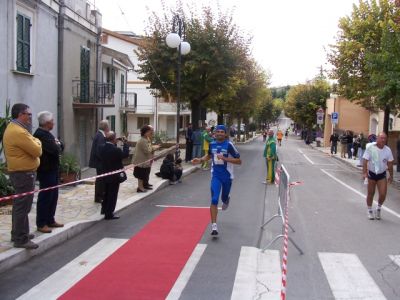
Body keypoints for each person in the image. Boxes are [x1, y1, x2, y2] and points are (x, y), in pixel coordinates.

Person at [3, 103, 42, 249]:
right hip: (23, 174)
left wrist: (34, 141)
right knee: (22, 206)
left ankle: (18, 233)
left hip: (21, 172)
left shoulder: (16, 129)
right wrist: (37, 141)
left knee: (20, 205)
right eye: (29, 114)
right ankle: (21, 238)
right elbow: (37, 150)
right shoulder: (18, 132)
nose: (30, 117)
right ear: (21, 114)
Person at [191, 125, 241, 236]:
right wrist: (199, 160)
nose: (219, 133)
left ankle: (226, 199)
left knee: (223, 197)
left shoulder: (229, 145)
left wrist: (225, 158)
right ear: (215, 133)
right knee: (214, 199)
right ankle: (214, 226)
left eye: (221, 132)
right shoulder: (212, 144)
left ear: (225, 134)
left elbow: (239, 161)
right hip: (216, 176)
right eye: (217, 131)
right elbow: (209, 156)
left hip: (227, 176)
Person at [33, 111, 64, 234]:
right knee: (46, 196)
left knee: (53, 195)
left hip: (53, 169)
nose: (54, 124)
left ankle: (50, 219)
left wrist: (58, 145)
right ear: (47, 123)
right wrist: (58, 145)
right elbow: (55, 149)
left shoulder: (48, 134)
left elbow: (60, 146)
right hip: (46, 170)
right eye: (52, 122)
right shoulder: (41, 134)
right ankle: (41, 223)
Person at [362, 132, 394, 220]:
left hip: (382, 175)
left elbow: (390, 164)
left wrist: (391, 176)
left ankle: (378, 208)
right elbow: (365, 160)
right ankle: (369, 210)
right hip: (371, 174)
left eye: (385, 138)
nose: (383, 140)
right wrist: (364, 173)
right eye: (381, 138)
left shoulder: (388, 150)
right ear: (377, 139)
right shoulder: (371, 148)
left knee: (383, 194)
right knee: (370, 194)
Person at [99, 132, 129, 220]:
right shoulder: (116, 150)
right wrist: (125, 143)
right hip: (114, 176)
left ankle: (104, 210)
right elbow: (125, 154)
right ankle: (109, 213)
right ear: (113, 139)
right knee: (112, 195)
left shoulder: (102, 148)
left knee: (106, 193)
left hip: (105, 174)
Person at [132, 125, 159, 192]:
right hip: (141, 162)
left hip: (144, 161)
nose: (151, 132)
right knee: (140, 176)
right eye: (150, 131)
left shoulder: (145, 139)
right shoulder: (143, 140)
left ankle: (143, 186)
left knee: (144, 174)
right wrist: (155, 147)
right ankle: (140, 188)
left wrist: (153, 148)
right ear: (145, 132)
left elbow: (149, 148)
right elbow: (147, 150)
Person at [89, 120, 110, 203]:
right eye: (108, 126)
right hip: (100, 162)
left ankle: (99, 196)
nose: (109, 128)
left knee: (100, 179)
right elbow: (99, 151)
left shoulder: (99, 134)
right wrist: (105, 160)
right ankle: (99, 197)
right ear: (105, 127)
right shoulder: (100, 136)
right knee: (100, 180)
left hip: (99, 162)